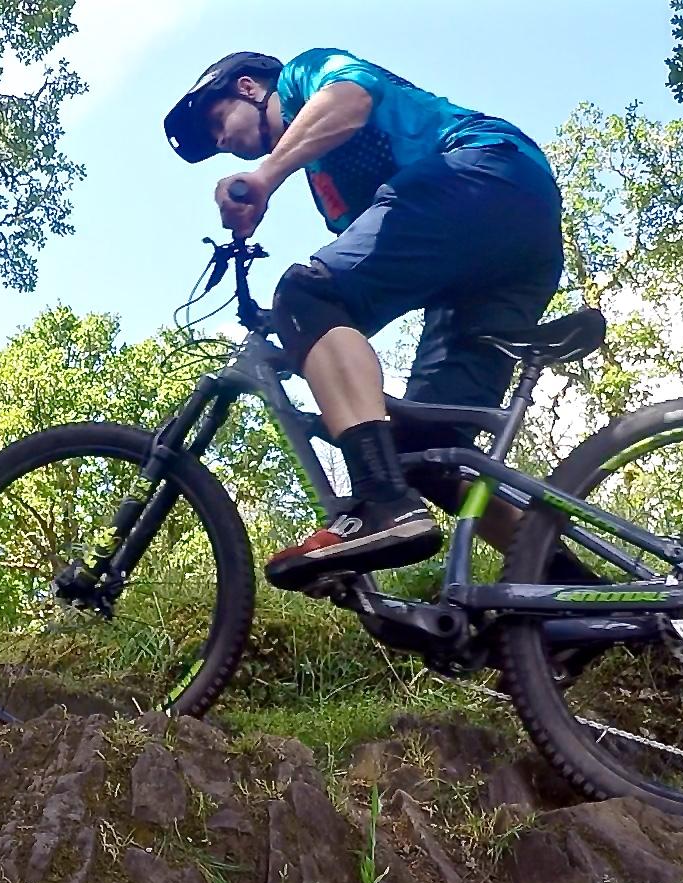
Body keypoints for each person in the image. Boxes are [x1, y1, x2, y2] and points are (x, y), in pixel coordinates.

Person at [165, 49, 595, 593]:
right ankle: (574, 593)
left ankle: (382, 503)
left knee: (305, 293)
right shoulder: (328, 185)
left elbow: (354, 97)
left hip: (484, 173)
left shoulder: (305, 78)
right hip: (504, 254)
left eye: (215, 121)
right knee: (426, 453)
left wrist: (267, 181)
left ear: (249, 87)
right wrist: (299, 331)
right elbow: (372, 263)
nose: (220, 141)